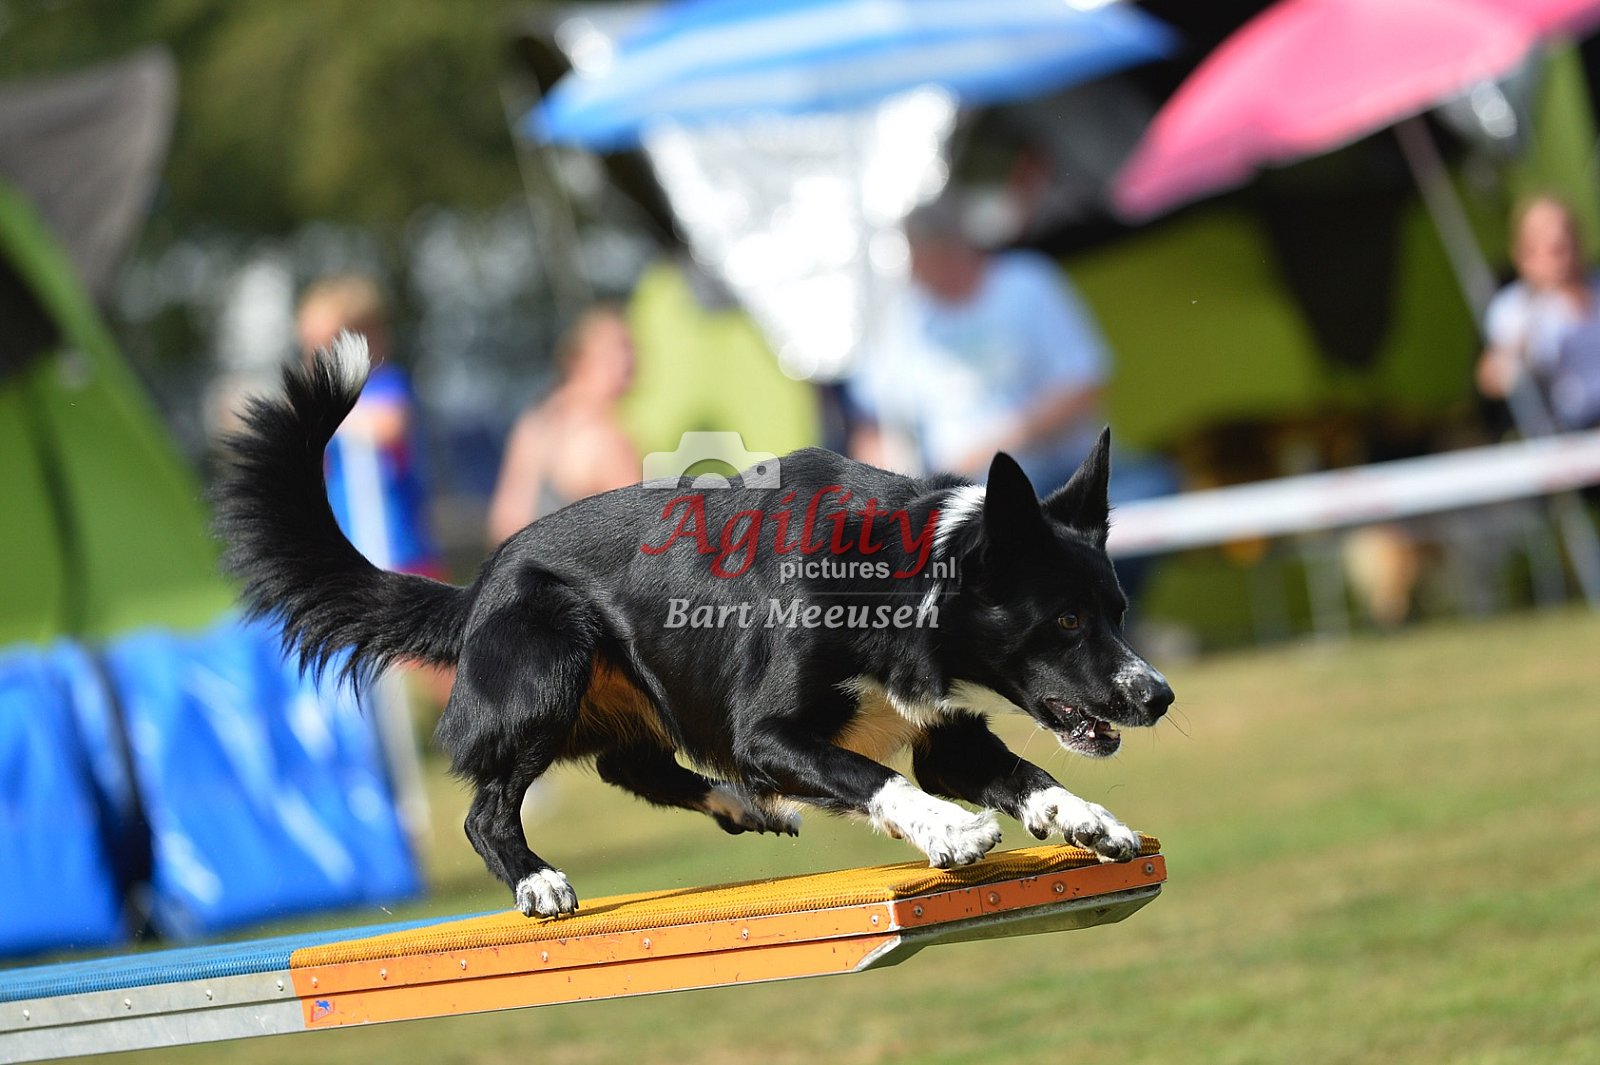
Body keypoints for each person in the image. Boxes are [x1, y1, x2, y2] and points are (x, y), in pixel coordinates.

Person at [848, 198, 1110, 492]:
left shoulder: (1026, 284)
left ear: (948, 249)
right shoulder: (902, 319)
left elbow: (1081, 385)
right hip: (956, 496)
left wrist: (993, 449)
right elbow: (872, 422)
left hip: (1059, 479)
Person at [296, 274, 442, 578]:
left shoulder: (384, 386)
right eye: (309, 347)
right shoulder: (318, 409)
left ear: (369, 340)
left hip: (400, 554)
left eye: (328, 344)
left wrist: (326, 416)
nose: (316, 358)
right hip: (349, 553)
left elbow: (390, 425)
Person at [487, 304, 640, 546]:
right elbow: (636, 535)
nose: (630, 360)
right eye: (618, 348)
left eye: (631, 348)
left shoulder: (535, 421)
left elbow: (504, 522)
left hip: (529, 562)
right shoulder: (605, 438)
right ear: (578, 359)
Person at [1477, 194, 1600, 433]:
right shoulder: (1514, 309)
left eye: (1565, 239)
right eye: (1549, 246)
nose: (1560, 251)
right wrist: (1512, 361)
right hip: (1568, 431)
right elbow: (1491, 377)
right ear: (1523, 253)